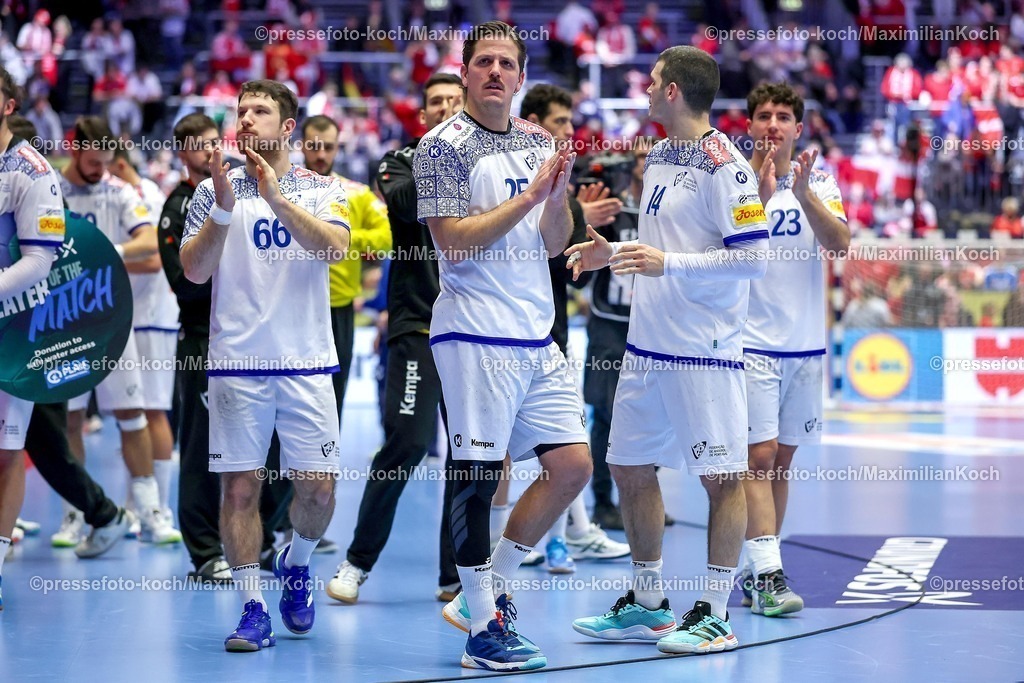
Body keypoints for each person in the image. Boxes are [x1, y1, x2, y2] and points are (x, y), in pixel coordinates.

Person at [569, 46, 768, 654]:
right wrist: (614, 253)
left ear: (675, 91)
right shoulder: (658, 155)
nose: (646, 90)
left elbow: (752, 258)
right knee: (628, 467)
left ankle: (714, 611)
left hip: (702, 349)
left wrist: (668, 264)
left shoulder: (726, 166)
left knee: (722, 478)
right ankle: (650, 601)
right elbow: (659, 244)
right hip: (646, 346)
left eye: (652, 81)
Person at [414, 21, 592, 671]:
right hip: (473, 330)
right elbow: (455, 240)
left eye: (506, 63)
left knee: (572, 466)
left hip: (534, 331)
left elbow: (554, 240)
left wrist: (556, 190)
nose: (494, 71)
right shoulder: (440, 146)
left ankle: (483, 590)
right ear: (464, 73)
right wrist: (527, 195)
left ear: (520, 76)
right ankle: (484, 626)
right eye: (483, 61)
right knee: (478, 475)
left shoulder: (536, 140)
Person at [180, 79, 350, 652]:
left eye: (260, 111)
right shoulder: (212, 190)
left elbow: (334, 249)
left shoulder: (323, 188)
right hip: (237, 365)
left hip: (306, 363)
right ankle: (253, 608)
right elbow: (195, 272)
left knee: (319, 492)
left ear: (287, 128)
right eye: (241, 111)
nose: (247, 120)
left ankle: (297, 563)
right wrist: (225, 212)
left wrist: (276, 197)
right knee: (239, 491)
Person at [327, 72, 465, 605]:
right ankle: (357, 562)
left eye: (456, 100)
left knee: (471, 452)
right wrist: (445, 155)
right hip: (418, 326)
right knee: (405, 443)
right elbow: (407, 205)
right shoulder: (399, 160)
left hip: (474, 331)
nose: (447, 108)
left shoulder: (491, 164)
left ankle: (455, 575)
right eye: (437, 103)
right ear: (424, 114)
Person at [159, 114, 293, 583]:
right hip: (202, 339)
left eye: (215, 142)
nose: (210, 151)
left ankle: (268, 537)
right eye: (198, 145)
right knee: (200, 448)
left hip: (254, 341)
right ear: (182, 153)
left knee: (267, 449)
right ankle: (203, 551)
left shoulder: (248, 191)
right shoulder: (178, 205)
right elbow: (187, 281)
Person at [738, 82, 850, 617]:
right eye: (764, 116)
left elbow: (840, 245)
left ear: (799, 129)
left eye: (784, 116)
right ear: (751, 125)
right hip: (751, 344)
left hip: (804, 349)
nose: (773, 125)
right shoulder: (732, 180)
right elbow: (723, 244)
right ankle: (769, 575)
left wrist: (803, 194)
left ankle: (759, 570)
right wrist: (758, 192)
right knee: (757, 459)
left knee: (780, 463)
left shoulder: (821, 182)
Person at [517, 82, 630, 569]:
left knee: (567, 446)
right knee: (503, 454)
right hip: (505, 328)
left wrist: (582, 220)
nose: (570, 130)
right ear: (536, 121)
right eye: (561, 122)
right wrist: (580, 210)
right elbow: (531, 248)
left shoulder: (564, 174)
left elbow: (566, 263)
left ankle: (567, 536)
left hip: (552, 322)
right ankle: (481, 570)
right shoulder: (517, 169)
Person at [59, 115, 182, 547]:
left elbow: (149, 243)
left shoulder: (120, 190)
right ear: (74, 150)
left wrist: (104, 250)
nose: (100, 169)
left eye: (106, 161)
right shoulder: (52, 189)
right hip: (62, 323)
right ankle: (74, 513)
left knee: (133, 414)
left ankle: (149, 513)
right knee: (69, 418)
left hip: (113, 319)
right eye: (93, 162)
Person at [110, 145, 180, 531]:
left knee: (153, 411)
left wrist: (106, 256)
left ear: (121, 164)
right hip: (129, 316)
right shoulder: (122, 197)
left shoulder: (149, 197)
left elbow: (154, 260)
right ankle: (137, 504)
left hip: (153, 317)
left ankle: (161, 509)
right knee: (130, 413)